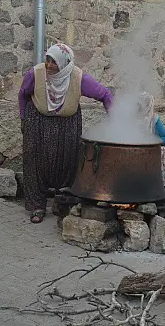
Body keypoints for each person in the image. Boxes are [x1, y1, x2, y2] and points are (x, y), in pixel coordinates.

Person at [19, 43, 113, 223]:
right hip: (37, 121)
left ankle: (62, 203)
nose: (48, 65)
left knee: (68, 160)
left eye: (53, 62)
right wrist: (23, 119)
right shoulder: (35, 74)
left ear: (64, 63)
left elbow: (105, 95)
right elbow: (23, 94)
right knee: (35, 161)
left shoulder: (78, 78)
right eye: (47, 60)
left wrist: (116, 121)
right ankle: (37, 206)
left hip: (67, 124)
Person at [138, 92, 165, 198]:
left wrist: (152, 141)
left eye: (144, 104)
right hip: (138, 148)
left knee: (163, 151)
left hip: (152, 148)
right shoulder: (134, 119)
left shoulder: (154, 119)